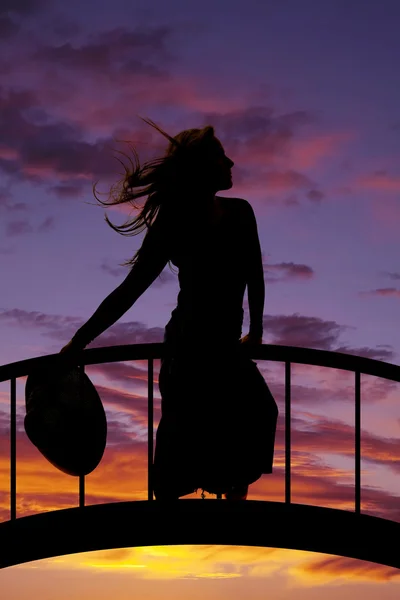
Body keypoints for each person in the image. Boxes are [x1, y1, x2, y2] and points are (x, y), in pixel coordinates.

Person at [60, 117, 278, 501]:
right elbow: (131, 289)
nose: (231, 165)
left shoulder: (241, 212)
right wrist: (80, 340)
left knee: (260, 413)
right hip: (187, 347)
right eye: (221, 158)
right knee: (181, 442)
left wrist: (256, 331)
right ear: (202, 168)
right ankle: (176, 502)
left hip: (226, 346)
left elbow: (254, 276)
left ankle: (230, 493)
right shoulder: (174, 222)